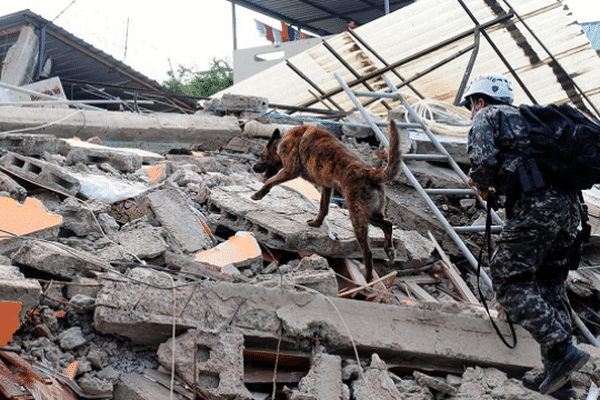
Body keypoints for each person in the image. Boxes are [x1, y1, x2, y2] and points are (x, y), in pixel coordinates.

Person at [462, 73, 590, 399]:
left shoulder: (488, 115)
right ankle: (559, 378)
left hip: (537, 210)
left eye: (471, 106)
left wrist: (480, 182)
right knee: (550, 284)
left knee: (508, 279)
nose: (472, 112)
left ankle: (560, 348)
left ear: (479, 101)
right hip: (571, 211)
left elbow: (482, 160)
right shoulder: (528, 121)